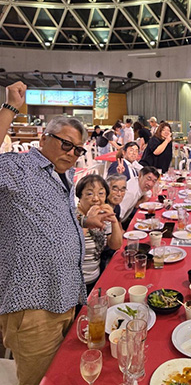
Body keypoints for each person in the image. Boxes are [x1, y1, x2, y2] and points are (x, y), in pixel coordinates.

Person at [0, 82, 113, 385]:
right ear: (44, 137)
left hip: (67, 297)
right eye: (66, 144)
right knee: (40, 380)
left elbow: (46, 223)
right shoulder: (18, 167)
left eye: (78, 149)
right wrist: (10, 107)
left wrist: (82, 225)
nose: (72, 154)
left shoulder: (62, 177)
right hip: (34, 304)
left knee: (63, 374)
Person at [76, 175, 122, 293]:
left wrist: (113, 219)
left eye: (101, 193)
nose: (96, 199)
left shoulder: (102, 216)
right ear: (79, 197)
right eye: (90, 194)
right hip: (76, 286)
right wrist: (88, 220)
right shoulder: (73, 216)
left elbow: (115, 245)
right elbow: (72, 249)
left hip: (96, 280)